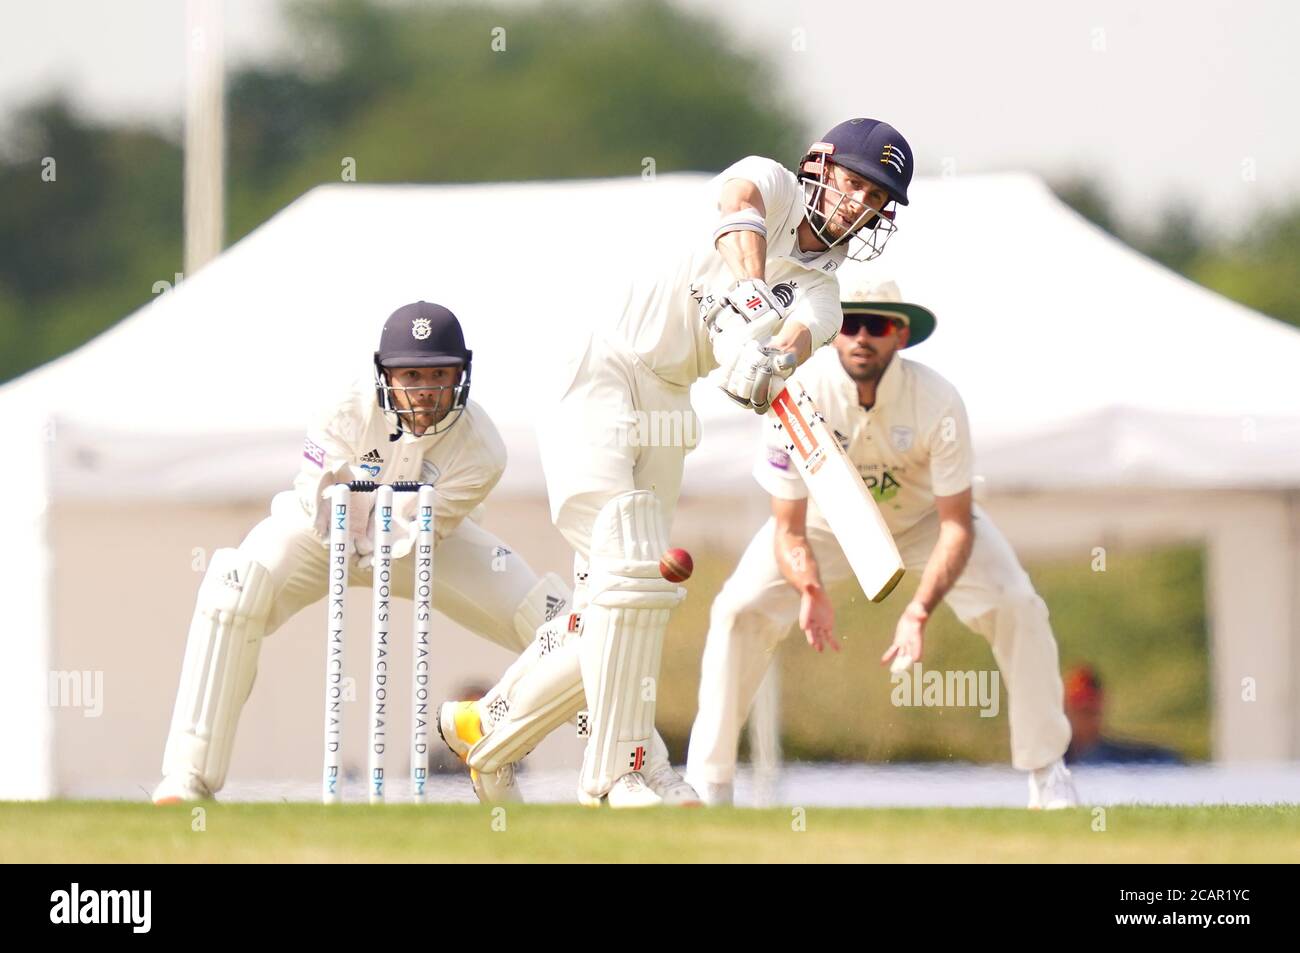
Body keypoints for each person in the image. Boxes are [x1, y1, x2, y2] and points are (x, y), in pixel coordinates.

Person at [437, 119, 915, 807]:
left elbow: (789, 342)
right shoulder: (774, 184)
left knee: (628, 600)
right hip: (601, 362)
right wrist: (752, 294)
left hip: (667, 397)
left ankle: (489, 727)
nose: (861, 203)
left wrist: (767, 365)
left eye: (878, 197)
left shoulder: (827, 298)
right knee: (626, 570)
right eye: (856, 182)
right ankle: (620, 773)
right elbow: (739, 206)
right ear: (820, 166)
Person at [684, 277, 1080, 810]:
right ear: (831, 333)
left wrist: (918, 612)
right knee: (738, 608)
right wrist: (809, 588)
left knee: (1019, 605)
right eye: (849, 324)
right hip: (829, 522)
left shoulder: (937, 400)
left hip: (924, 523)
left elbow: (958, 524)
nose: (862, 337)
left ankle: (1047, 774)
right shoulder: (798, 394)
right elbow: (789, 529)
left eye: (877, 325)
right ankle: (711, 783)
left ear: (900, 335)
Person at [151, 301, 571, 804]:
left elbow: (423, 532)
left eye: (440, 374)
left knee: (559, 623)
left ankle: (628, 768)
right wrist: (344, 501)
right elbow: (317, 491)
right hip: (323, 535)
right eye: (411, 375)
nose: (425, 391)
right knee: (234, 588)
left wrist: (388, 512)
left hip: (424, 545)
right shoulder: (344, 405)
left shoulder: (483, 448)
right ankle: (187, 778)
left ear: (462, 375)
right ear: (383, 374)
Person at [1063, 665, 1183, 765]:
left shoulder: (1128, 758)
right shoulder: (1054, 759)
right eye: (1081, 711)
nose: (1085, 721)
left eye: (1091, 712)